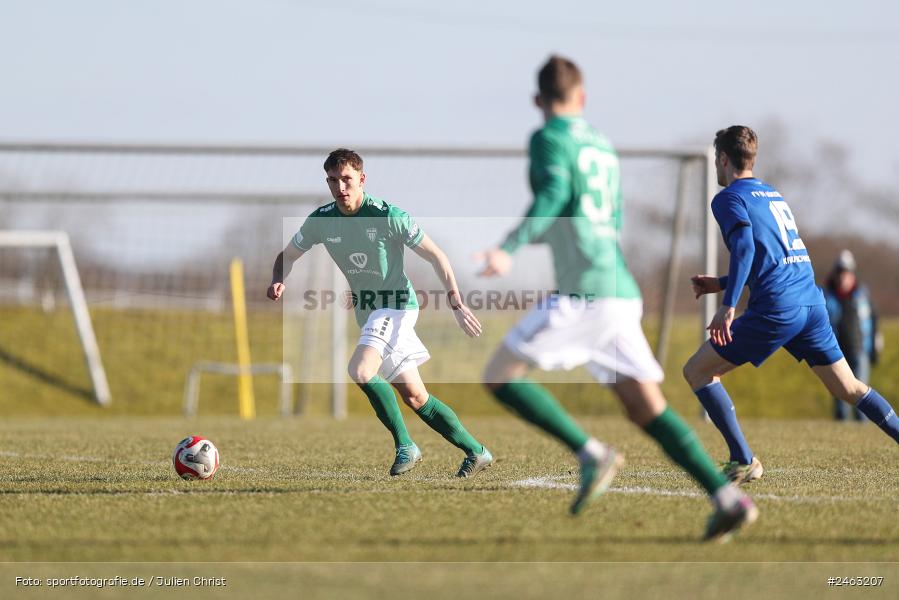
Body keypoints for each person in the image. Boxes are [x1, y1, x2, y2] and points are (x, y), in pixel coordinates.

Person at [477, 55, 756, 541]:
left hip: (586, 293)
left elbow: (553, 196)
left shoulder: (548, 137)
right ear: (583, 97)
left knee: (498, 376)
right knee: (646, 408)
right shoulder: (602, 144)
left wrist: (508, 248)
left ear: (538, 101)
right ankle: (728, 498)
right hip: (619, 289)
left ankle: (592, 454)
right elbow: (611, 214)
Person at [684, 126, 899, 485]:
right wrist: (720, 283)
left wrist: (728, 304)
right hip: (811, 304)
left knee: (698, 371)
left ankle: (743, 460)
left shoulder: (726, 198)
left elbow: (746, 250)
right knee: (849, 388)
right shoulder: (772, 194)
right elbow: (771, 257)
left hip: (777, 309)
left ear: (722, 159)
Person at [268, 148, 493, 478]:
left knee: (360, 370)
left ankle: (406, 446)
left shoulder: (389, 216)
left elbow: (437, 257)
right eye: (333, 181)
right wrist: (277, 279)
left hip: (397, 307)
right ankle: (477, 451)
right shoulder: (321, 220)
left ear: (362, 179)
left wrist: (456, 303)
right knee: (416, 397)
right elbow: (285, 256)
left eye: (346, 180)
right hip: (369, 314)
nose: (340, 188)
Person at [823, 250, 880, 421]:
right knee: (840, 396)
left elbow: (873, 320)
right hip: (836, 352)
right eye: (840, 273)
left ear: (852, 275)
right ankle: (840, 430)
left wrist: (876, 345)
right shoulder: (826, 296)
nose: (842, 278)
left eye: (846, 273)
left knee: (861, 394)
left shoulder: (863, 295)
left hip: (860, 350)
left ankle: (861, 429)